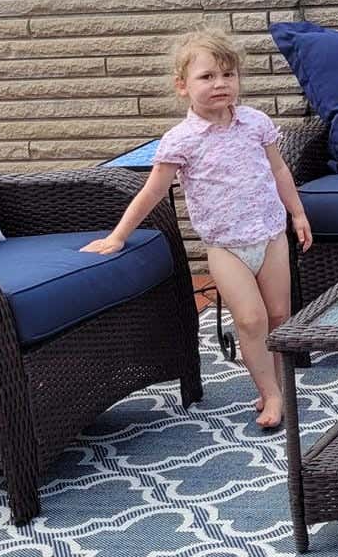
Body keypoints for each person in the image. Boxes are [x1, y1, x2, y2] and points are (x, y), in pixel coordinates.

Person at [85, 29, 312, 430]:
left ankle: (282, 385)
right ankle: (270, 393)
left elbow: (279, 171)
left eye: (228, 74)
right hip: (226, 248)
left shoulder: (255, 123)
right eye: (207, 77)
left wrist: (297, 215)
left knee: (279, 314)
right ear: (183, 86)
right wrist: (118, 235)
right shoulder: (181, 140)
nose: (220, 84)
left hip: (271, 234)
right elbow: (152, 191)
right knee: (251, 319)